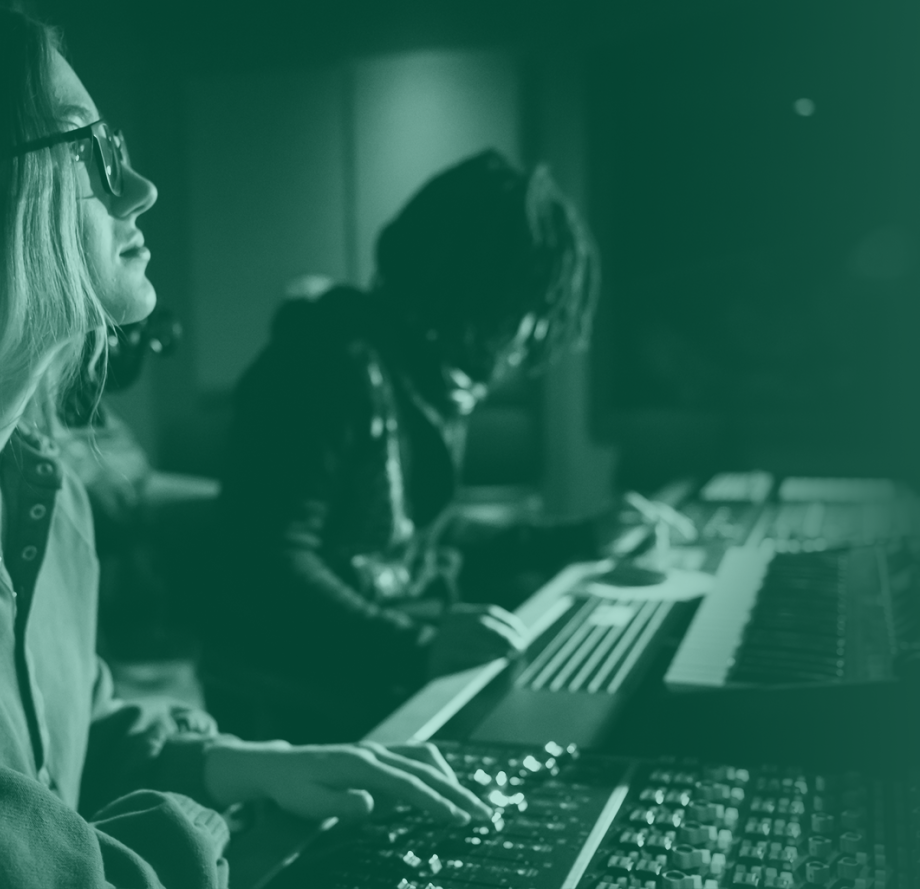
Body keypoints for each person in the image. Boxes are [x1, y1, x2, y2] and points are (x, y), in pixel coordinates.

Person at [0, 4, 491, 887]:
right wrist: (221, 821)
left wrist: (233, 760)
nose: (139, 188)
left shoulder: (37, 488)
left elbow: (60, 739)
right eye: (91, 153)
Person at [213, 150, 632, 742]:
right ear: (472, 282)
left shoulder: (412, 371)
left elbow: (421, 535)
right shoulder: (322, 366)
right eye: (526, 306)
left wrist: (582, 538)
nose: (530, 335)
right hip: (305, 713)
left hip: (369, 680)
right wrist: (419, 647)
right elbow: (264, 567)